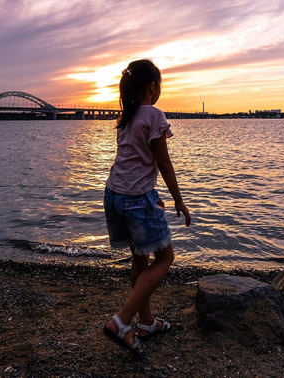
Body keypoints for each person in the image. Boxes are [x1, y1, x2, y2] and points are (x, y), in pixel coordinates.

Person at [102, 60, 191, 353]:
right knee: (165, 258)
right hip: (135, 199)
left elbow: (133, 162)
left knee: (140, 258)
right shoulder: (153, 115)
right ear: (153, 87)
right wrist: (178, 199)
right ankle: (122, 321)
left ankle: (146, 322)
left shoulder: (126, 117)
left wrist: (150, 198)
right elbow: (162, 161)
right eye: (160, 85)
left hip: (115, 195)